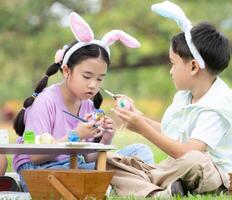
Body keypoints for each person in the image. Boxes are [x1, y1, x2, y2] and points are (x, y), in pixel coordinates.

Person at [109, 1, 232, 198]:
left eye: (173, 63)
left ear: (193, 67)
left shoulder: (218, 106)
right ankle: (158, 192)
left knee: (194, 160)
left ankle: (147, 182)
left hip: (207, 174)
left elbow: (187, 153)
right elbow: (171, 132)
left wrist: (142, 128)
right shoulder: (185, 97)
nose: (171, 71)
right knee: (109, 161)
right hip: (175, 170)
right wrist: (138, 118)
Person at [12, 12, 154, 192]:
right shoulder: (45, 101)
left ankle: (141, 183)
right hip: (40, 172)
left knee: (140, 151)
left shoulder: (86, 103)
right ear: (66, 70)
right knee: (110, 170)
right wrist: (75, 135)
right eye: (87, 76)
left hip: (75, 167)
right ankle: (144, 184)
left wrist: (105, 137)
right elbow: (37, 156)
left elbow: (87, 158)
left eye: (100, 79)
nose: (93, 85)